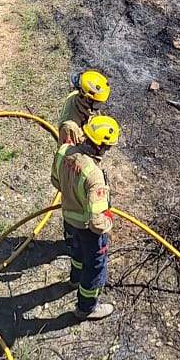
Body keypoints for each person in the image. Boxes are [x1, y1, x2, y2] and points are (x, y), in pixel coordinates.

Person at [51, 103, 120, 321]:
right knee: (95, 266)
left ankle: (74, 278)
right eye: (108, 147)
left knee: (76, 251)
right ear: (100, 147)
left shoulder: (64, 151)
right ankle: (87, 307)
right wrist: (109, 219)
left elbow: (55, 181)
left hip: (68, 217)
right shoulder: (94, 176)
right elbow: (98, 223)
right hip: (87, 228)